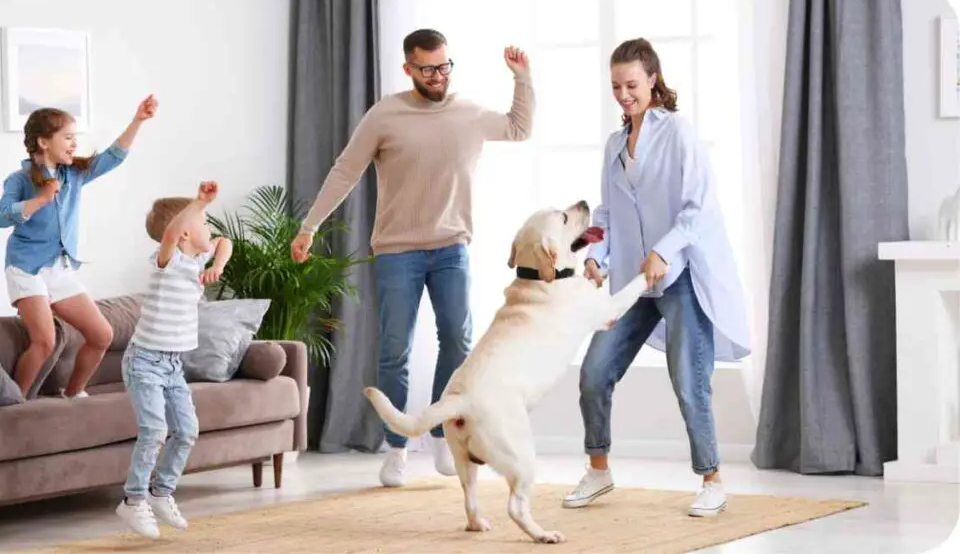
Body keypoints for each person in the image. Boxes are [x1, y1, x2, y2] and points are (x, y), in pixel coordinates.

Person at [290, 28, 535, 487]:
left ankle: (443, 436)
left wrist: (522, 79)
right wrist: (310, 226)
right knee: (394, 351)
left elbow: (519, 129)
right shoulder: (386, 114)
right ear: (408, 69)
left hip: (451, 249)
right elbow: (346, 169)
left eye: (444, 66)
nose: (438, 75)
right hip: (397, 252)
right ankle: (397, 448)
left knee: (459, 344)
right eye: (428, 68)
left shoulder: (468, 113)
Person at [562, 38, 750, 517]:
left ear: (652, 80)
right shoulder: (613, 145)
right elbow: (606, 210)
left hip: (680, 276)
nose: (624, 94)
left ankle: (712, 480)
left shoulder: (679, 134)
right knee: (594, 372)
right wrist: (596, 256)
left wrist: (663, 251)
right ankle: (599, 470)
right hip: (632, 282)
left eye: (631, 84)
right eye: (615, 86)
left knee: (690, 381)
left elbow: (697, 207)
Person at [0, 96, 158, 399]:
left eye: (74, 138)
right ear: (43, 142)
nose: (73, 144)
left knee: (102, 335)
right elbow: (2, 217)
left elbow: (114, 156)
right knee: (43, 341)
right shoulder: (18, 180)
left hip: (59, 268)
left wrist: (138, 120)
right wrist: (41, 199)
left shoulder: (74, 175)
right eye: (68, 137)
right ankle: (12, 405)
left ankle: (72, 395)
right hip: (25, 267)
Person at [114, 182, 232, 539]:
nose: (209, 228)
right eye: (203, 221)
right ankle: (133, 501)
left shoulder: (198, 260)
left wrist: (218, 267)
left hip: (172, 365)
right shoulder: (167, 261)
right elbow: (168, 235)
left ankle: (161, 492)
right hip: (144, 362)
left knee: (187, 431)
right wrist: (197, 202)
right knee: (154, 430)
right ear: (183, 234)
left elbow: (226, 242)